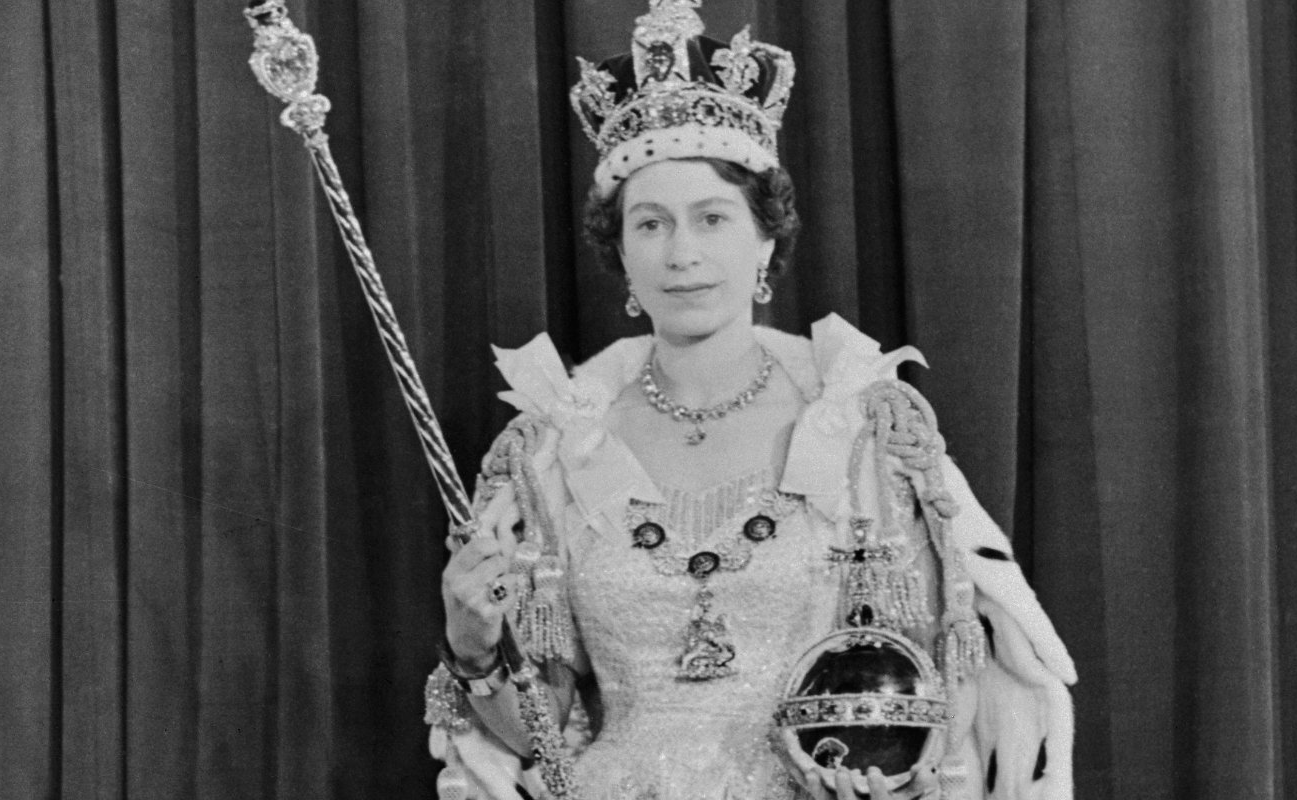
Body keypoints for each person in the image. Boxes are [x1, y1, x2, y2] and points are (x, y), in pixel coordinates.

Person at [425, 2, 1075, 798]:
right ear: (620, 251)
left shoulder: (861, 426)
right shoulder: (557, 451)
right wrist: (476, 648)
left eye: (713, 218)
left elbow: (934, 675)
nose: (684, 254)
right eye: (652, 224)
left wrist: (888, 779)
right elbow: (546, 734)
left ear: (766, 238)